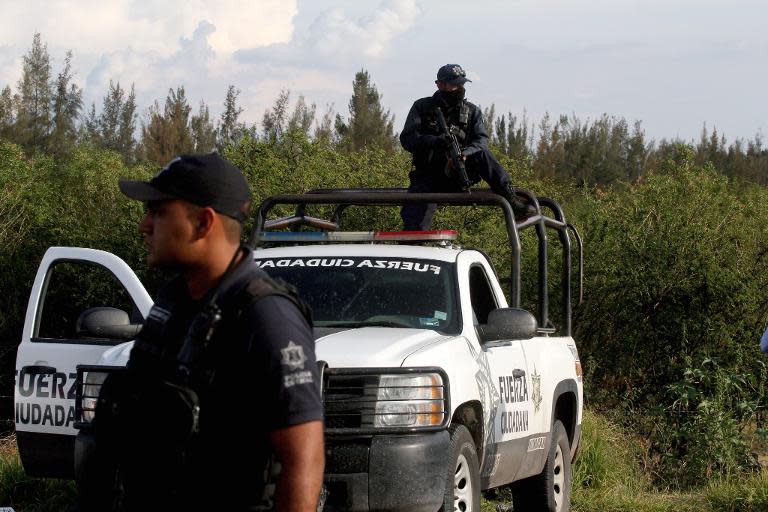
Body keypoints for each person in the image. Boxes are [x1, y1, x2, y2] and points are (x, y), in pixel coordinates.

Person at [80, 153, 324, 511]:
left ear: (203, 223)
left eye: (159, 212)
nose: (144, 226)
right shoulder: (174, 301)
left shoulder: (266, 315)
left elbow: (304, 460)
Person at [399, 63, 536, 230]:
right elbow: (407, 139)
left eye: (461, 84)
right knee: (415, 227)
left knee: (483, 153)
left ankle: (512, 200)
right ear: (440, 84)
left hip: (459, 175)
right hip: (428, 177)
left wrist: (465, 154)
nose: (459, 88)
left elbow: (481, 141)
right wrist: (435, 142)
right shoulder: (422, 107)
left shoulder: (472, 111)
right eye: (454, 84)